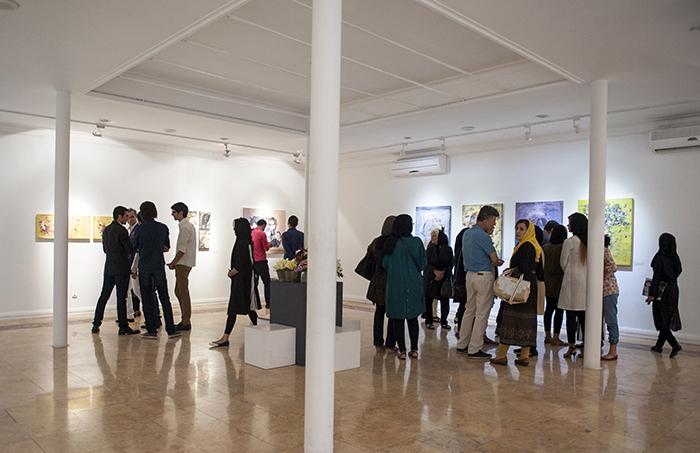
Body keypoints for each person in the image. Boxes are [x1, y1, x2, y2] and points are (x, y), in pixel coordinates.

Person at [490, 219, 540, 367]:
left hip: (517, 289)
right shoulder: (535, 246)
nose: (518, 231)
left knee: (510, 320)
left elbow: (523, 267)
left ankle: (501, 355)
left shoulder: (525, 246)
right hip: (530, 288)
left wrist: (512, 271)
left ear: (528, 231)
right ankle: (524, 356)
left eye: (521, 229)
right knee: (527, 322)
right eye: (516, 228)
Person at [456, 206, 504, 360]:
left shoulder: (467, 233)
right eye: (493, 222)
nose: (494, 225)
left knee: (469, 310)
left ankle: (462, 344)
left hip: (469, 276)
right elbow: (494, 259)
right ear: (485, 221)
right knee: (482, 313)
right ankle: (475, 348)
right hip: (483, 276)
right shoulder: (483, 236)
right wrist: (497, 262)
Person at [133, 201, 181, 340]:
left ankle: (151, 329)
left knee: (147, 298)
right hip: (158, 265)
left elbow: (135, 247)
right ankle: (170, 329)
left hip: (144, 267)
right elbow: (167, 247)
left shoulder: (140, 229)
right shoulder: (162, 228)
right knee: (164, 298)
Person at [382, 214, 427, 360]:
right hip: (414, 284)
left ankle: (401, 350)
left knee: (398, 318)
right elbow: (423, 264)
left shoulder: (391, 242)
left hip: (395, 284)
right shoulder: (417, 242)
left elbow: (385, 263)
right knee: (413, 318)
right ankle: (414, 349)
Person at [210, 218, 260, 347]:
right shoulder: (246, 241)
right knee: (247, 308)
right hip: (243, 280)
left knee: (236, 308)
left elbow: (241, 263)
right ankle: (260, 332)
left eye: (236, 227)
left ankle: (225, 337)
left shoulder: (243, 243)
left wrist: (231, 273)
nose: (234, 229)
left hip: (243, 280)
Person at [92, 206, 140, 336]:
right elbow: (129, 248)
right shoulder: (122, 230)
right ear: (120, 216)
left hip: (109, 267)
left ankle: (96, 323)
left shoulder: (106, 230)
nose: (127, 219)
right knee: (121, 297)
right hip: (121, 268)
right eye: (126, 216)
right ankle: (123, 326)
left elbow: (105, 249)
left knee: (104, 296)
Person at [646, 233, 683, 358]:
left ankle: (674, 344)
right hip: (673, 290)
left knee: (661, 320)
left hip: (662, 291)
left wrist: (652, 294)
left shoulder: (660, 258)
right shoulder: (675, 258)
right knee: (666, 318)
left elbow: (656, 277)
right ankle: (659, 345)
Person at [365, 215, 397, 351]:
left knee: (379, 312)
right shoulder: (395, 242)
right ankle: (390, 344)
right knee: (393, 313)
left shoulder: (376, 242)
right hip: (391, 280)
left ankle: (378, 343)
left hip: (378, 281)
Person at [559, 213, 588, 358]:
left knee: (570, 315)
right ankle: (587, 345)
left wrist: (571, 271)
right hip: (585, 281)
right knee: (583, 315)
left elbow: (563, 263)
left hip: (572, 281)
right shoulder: (590, 242)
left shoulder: (570, 242)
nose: (568, 225)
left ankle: (572, 346)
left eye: (569, 223)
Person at [168, 202, 197, 331]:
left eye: (174, 212)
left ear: (181, 213)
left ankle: (186, 321)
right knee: (179, 290)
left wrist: (173, 262)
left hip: (183, 263)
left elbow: (182, 249)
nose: (172, 214)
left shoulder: (185, 227)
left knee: (182, 291)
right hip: (184, 263)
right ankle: (185, 319)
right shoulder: (187, 226)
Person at [542, 224, 568, 346]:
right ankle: (556, 336)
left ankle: (547, 335)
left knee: (548, 309)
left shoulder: (545, 247)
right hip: (560, 282)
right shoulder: (563, 248)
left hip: (548, 282)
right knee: (559, 310)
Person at [423, 228, 453, 330]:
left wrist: (442, 273)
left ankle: (444, 321)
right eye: (431, 236)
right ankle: (429, 321)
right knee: (429, 300)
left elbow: (450, 263)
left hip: (444, 277)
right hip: (431, 277)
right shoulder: (430, 248)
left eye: (434, 236)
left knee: (445, 300)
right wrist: (435, 272)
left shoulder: (448, 249)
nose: (432, 238)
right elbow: (426, 263)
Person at [602, 235, 620, 360]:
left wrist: (601, 270)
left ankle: (613, 351)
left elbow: (613, 267)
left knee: (611, 321)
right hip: (604, 291)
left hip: (608, 290)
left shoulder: (604, 251)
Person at [251, 219, 272, 312]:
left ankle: (255, 302)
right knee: (267, 283)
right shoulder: (262, 234)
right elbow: (266, 248)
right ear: (263, 225)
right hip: (261, 261)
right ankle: (268, 303)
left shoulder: (251, 233)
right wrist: (270, 244)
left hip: (253, 262)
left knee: (254, 283)